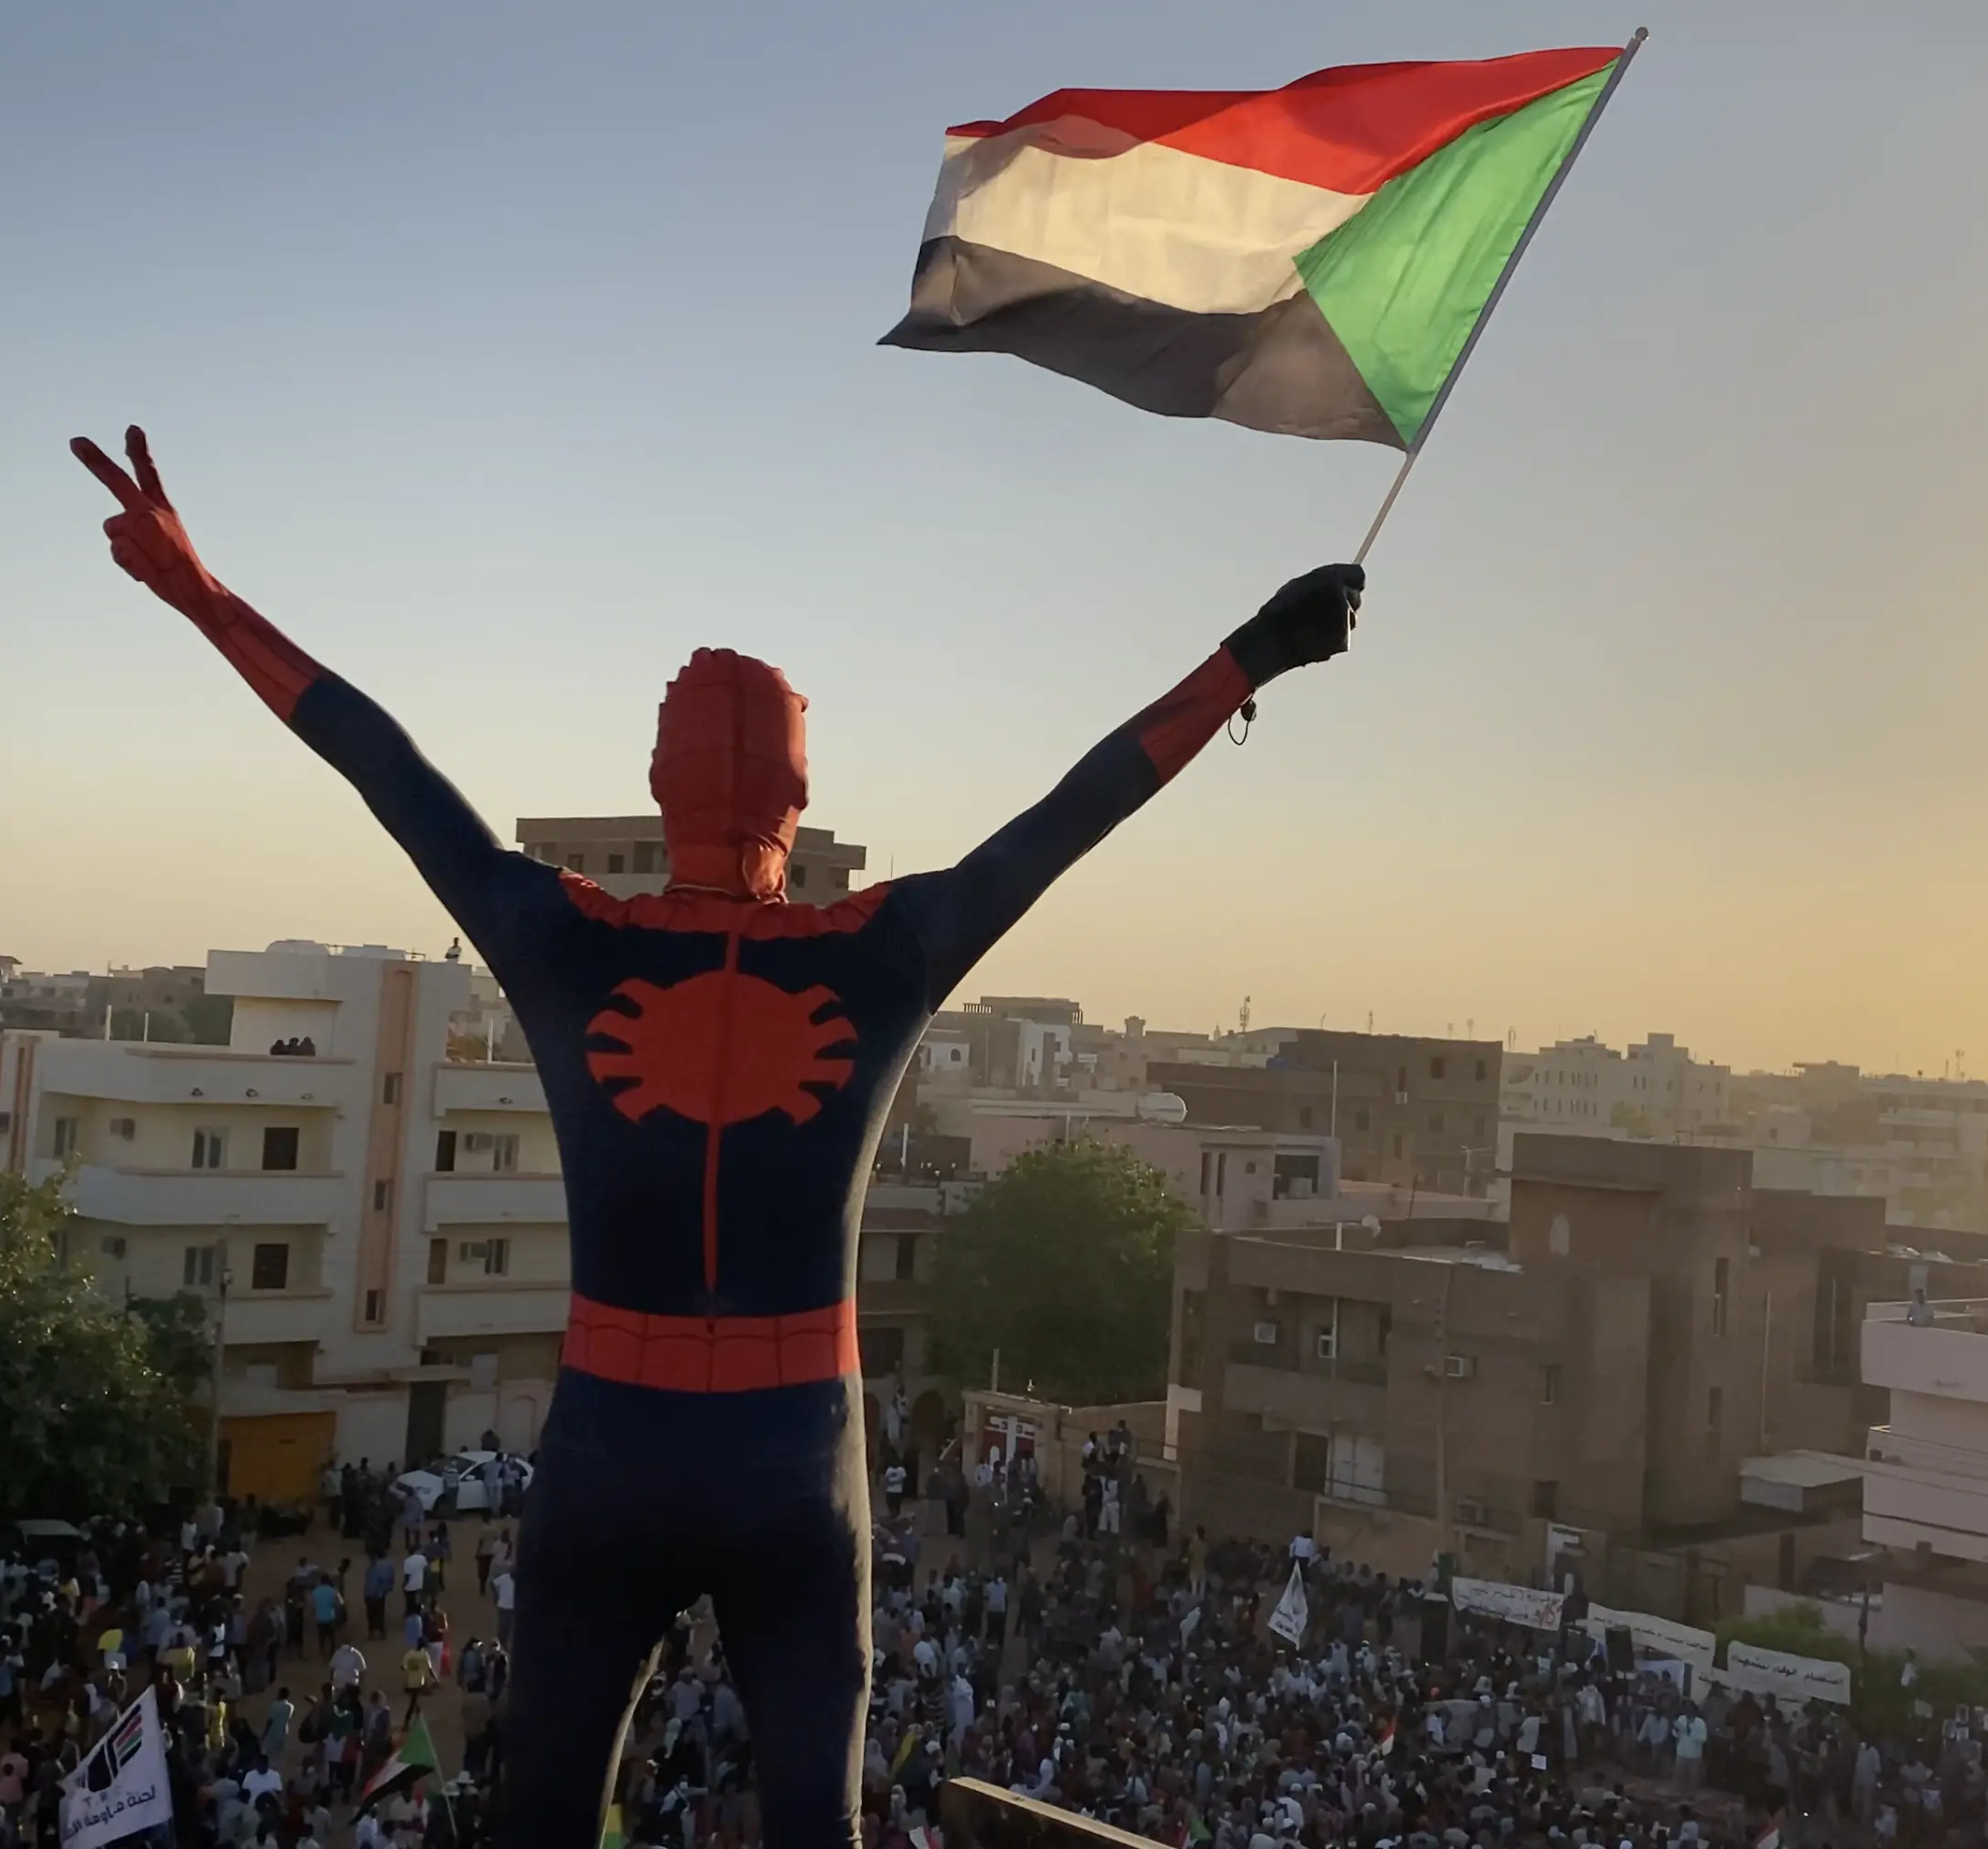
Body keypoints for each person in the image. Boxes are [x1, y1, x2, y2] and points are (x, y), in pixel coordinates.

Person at [73, 425, 1362, 1849]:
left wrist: (204, 597)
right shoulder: (882, 947)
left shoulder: (562, 938)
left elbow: (379, 759)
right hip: (797, 1453)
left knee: (546, 1819)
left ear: (657, 784)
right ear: (798, 804)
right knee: (819, 1824)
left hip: (609, 1446)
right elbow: (1079, 806)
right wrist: (1251, 654)